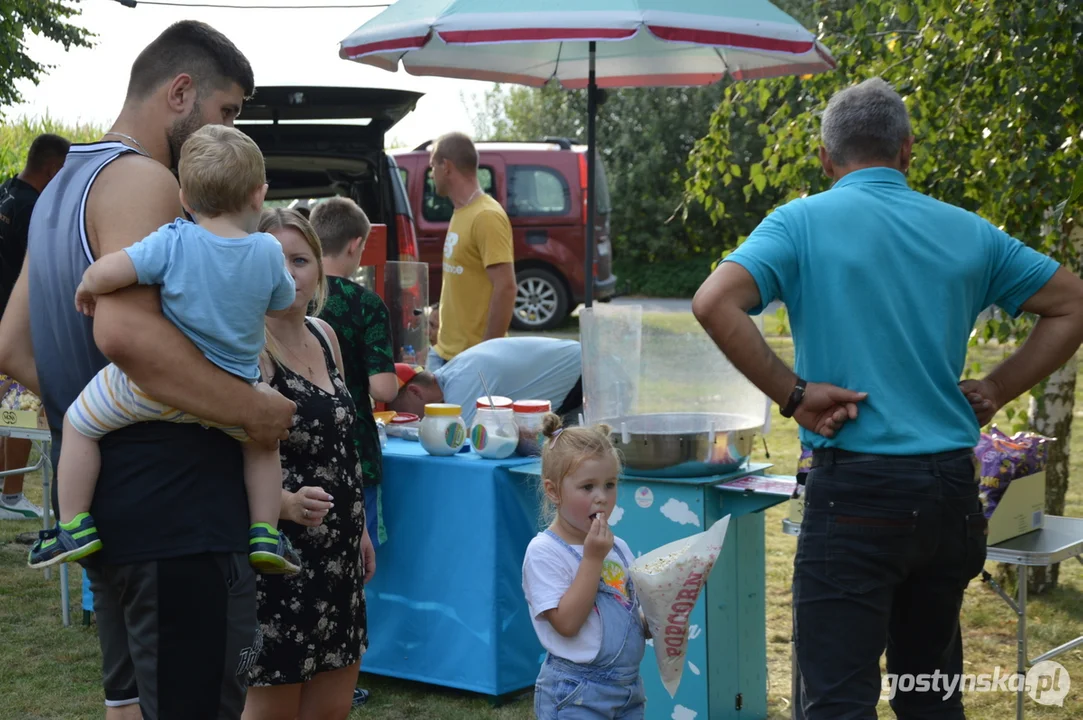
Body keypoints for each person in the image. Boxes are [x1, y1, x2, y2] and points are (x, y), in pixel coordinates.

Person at [691, 78, 1083, 719]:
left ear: (825, 158)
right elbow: (1071, 303)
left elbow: (714, 302)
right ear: (906, 152)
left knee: (838, 702)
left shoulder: (798, 223)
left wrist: (794, 394)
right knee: (930, 696)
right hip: (950, 496)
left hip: (855, 497)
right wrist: (997, 387)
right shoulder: (969, 232)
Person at [0, 21, 295, 720]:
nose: (225, 131)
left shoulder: (60, 187)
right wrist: (250, 411)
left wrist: (99, 418)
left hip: (113, 519)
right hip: (180, 517)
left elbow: (12, 347)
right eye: (227, 112)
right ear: (181, 91)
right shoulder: (144, 180)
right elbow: (126, 331)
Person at [27, 125, 299, 575]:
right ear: (259, 196)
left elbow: (114, 269)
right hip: (236, 392)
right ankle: (266, 531)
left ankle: (73, 523)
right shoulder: (268, 251)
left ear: (185, 199)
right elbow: (283, 300)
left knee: (79, 423)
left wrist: (88, 286)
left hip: (156, 391)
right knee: (261, 445)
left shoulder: (175, 239)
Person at [244, 208, 375, 720]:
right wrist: (283, 503)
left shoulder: (325, 336)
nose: (288, 273)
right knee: (270, 710)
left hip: (338, 558)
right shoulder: (248, 347)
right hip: (280, 561)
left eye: (300, 260)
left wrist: (360, 527)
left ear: (319, 268)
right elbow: (218, 462)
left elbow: (345, 444)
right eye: (274, 260)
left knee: (331, 709)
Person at [522, 414, 647, 719]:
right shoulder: (544, 552)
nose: (601, 498)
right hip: (576, 693)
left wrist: (661, 621)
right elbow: (567, 624)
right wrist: (592, 559)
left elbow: (628, 616)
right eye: (587, 487)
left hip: (628, 689)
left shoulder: (619, 549)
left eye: (610, 484)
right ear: (553, 492)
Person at [310, 196, 397, 551]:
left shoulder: (295, 294)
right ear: (356, 244)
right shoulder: (366, 304)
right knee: (359, 555)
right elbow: (384, 389)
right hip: (353, 446)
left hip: (300, 444)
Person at [0, 132, 69, 520]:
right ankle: (11, 495)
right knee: (22, 402)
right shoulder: (34, 209)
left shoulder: (6, 192)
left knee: (5, 405)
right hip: (16, 319)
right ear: (53, 169)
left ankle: (4, 489)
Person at [426, 132, 515, 370]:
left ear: (446, 166)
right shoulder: (462, 211)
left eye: (432, 166)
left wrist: (486, 354)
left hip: (471, 359)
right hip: (444, 352)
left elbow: (506, 287)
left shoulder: (486, 215)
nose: (431, 174)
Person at [391, 336, 582, 425]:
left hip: (584, 377)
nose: (404, 420)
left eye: (400, 413)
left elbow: (462, 442)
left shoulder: (461, 383)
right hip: (572, 380)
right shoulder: (450, 376)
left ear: (415, 392)